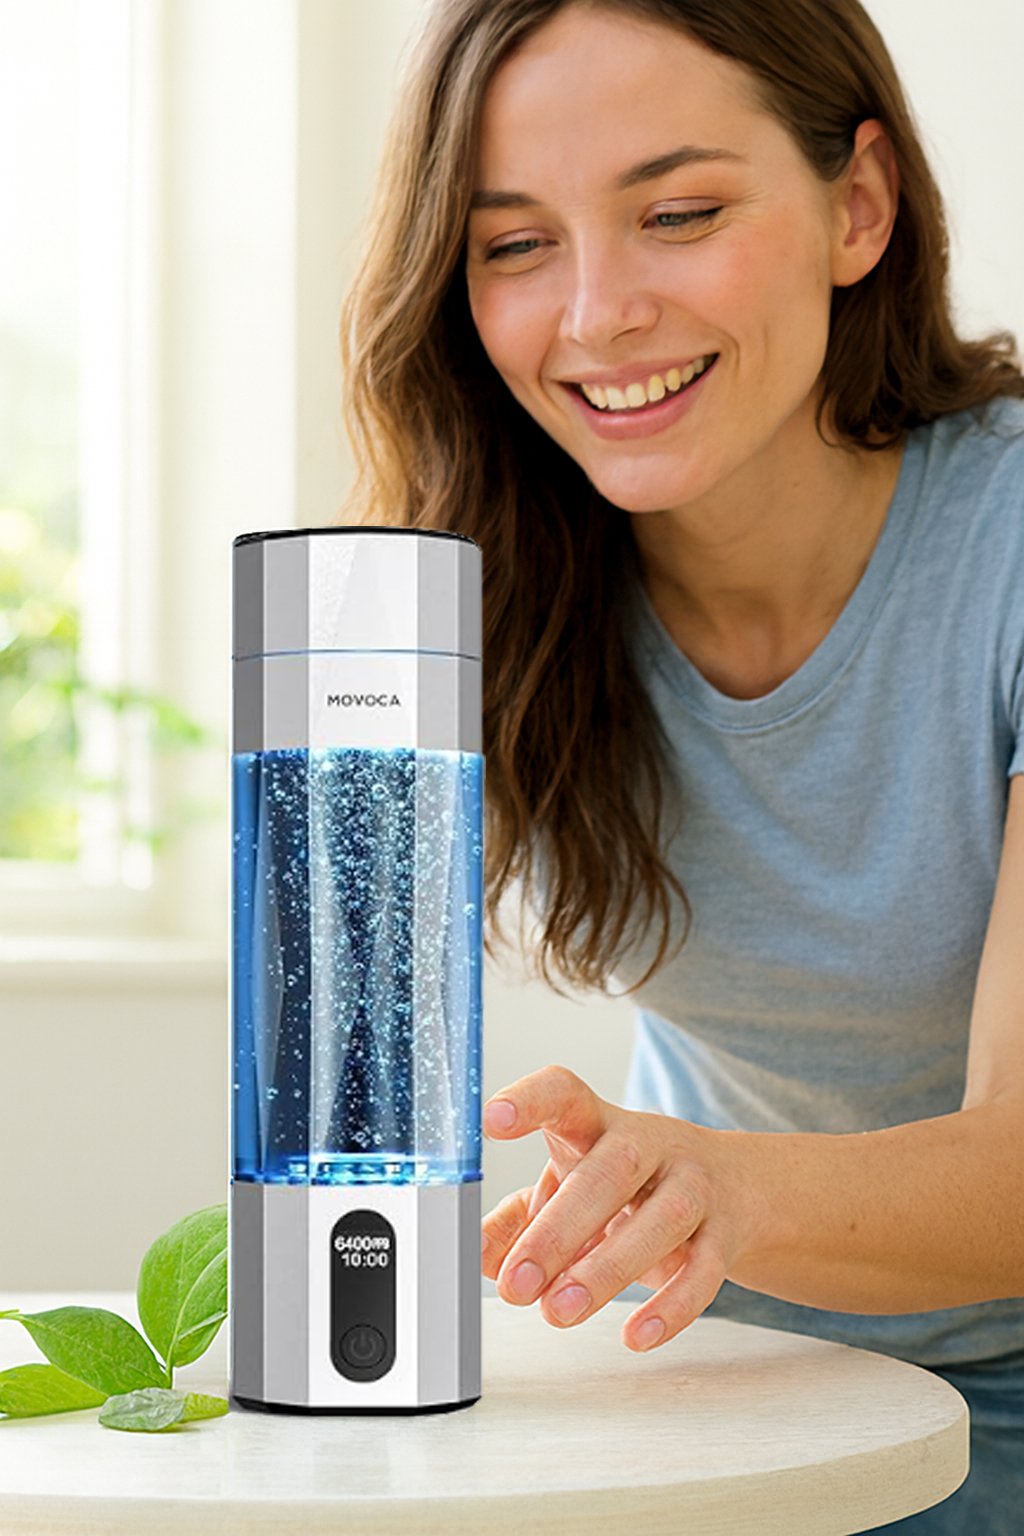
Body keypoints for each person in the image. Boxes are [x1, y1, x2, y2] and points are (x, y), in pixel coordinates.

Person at [338, 1, 1024, 1527]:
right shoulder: (502, 587)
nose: (596, 313)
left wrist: (712, 1188)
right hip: (695, 1372)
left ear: (858, 206)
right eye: (514, 245)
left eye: (681, 214)